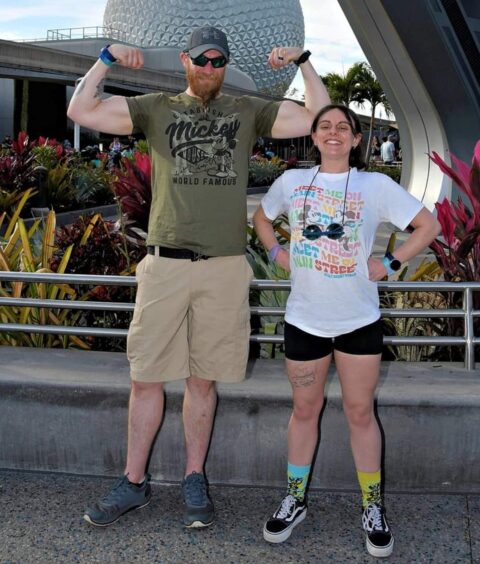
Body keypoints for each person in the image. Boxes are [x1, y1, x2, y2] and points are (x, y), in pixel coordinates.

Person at [67, 26, 330, 529]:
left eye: (218, 61)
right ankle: (133, 481)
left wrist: (304, 61)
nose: (210, 68)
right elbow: (81, 110)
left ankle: (193, 477)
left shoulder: (247, 110)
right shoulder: (156, 107)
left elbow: (316, 116)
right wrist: (105, 59)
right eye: (202, 60)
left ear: (225, 66)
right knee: (145, 377)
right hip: (164, 263)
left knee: (201, 379)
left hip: (224, 266)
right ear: (185, 60)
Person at [253, 104, 440, 557]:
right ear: (313, 137)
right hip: (304, 321)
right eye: (325, 127)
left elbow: (427, 226)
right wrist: (278, 254)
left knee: (360, 413)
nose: (333, 133)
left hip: (358, 321)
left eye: (343, 128)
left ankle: (371, 507)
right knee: (304, 410)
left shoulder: (374, 185)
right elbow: (261, 217)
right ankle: (295, 499)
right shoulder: (293, 182)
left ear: (356, 139)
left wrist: (390, 263)